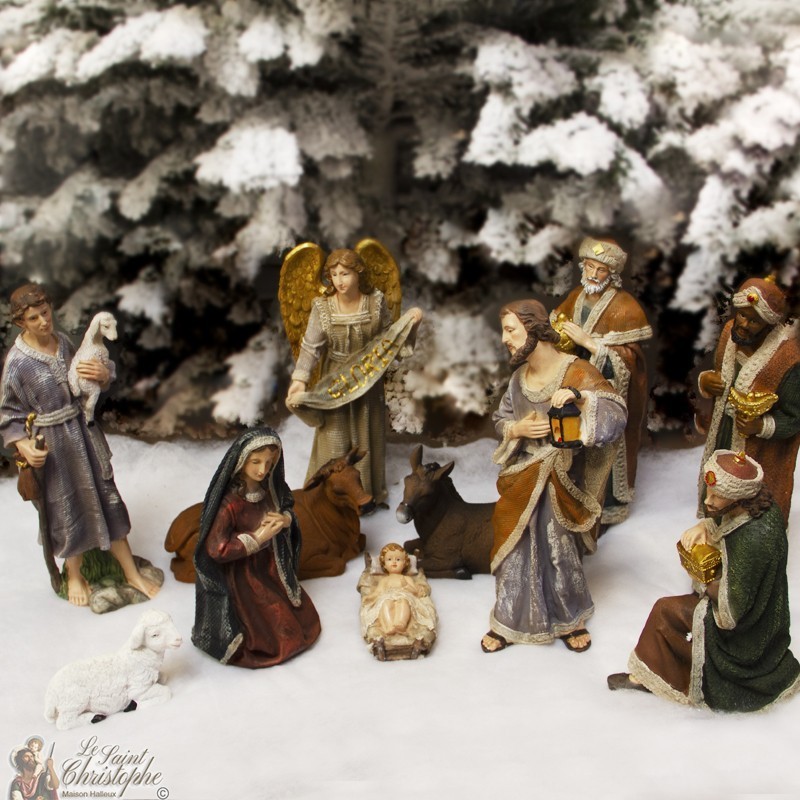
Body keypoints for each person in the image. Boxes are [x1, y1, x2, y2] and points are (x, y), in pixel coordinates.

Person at [481, 299, 627, 654]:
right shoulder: (518, 379)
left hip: (562, 477)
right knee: (513, 546)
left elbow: (615, 412)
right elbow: (501, 419)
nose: (505, 339)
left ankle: (569, 617)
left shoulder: (575, 370)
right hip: (522, 476)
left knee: (559, 547)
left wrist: (581, 398)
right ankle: (510, 618)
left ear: (534, 329)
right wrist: (516, 429)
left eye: (511, 330)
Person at [0, 284, 159, 606]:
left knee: (108, 496)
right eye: (33, 318)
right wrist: (23, 444)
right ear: (20, 323)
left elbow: (89, 376)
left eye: (45, 313)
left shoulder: (65, 343)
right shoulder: (17, 362)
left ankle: (130, 571)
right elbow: (8, 412)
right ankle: (74, 574)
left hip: (84, 433)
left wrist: (103, 374)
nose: (43, 321)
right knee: (65, 507)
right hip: (54, 447)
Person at [608, 450, 800, 712]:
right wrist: (706, 527)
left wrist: (703, 577)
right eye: (709, 493)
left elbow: (732, 612)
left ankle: (649, 677)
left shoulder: (752, 539)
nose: (709, 501)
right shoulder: (758, 511)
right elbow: (729, 530)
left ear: (739, 497)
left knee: (665, 611)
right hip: (764, 618)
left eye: (716, 497)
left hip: (748, 635)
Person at [286, 248, 422, 505]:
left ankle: (366, 494)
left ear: (358, 274)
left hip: (367, 380)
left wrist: (411, 326)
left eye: (345, 273)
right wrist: (299, 379)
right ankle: (329, 497)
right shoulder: (322, 307)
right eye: (334, 274)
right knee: (333, 436)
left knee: (365, 436)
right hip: (335, 382)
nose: (339, 280)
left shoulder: (375, 303)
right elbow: (311, 347)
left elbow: (389, 341)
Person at [193, 427, 321, 668]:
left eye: (268, 463)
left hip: (270, 567)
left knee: (296, 617)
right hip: (244, 577)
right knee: (273, 625)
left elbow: (285, 508)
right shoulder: (229, 504)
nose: (262, 469)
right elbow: (217, 549)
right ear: (241, 461)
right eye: (256, 462)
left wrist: (285, 520)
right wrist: (258, 537)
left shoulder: (269, 490)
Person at [551, 236, 651, 525]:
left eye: (601, 270)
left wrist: (591, 344)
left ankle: (606, 507)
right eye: (590, 267)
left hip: (604, 389)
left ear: (612, 273)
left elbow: (632, 361)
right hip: (574, 383)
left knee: (604, 443)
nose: (593, 275)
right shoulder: (576, 296)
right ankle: (574, 497)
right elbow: (557, 326)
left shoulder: (625, 306)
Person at [697, 276, 800, 521]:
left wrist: (760, 426)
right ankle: (714, 514)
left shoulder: (787, 359)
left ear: (769, 324)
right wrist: (706, 381)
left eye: (754, 321)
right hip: (723, 430)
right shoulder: (729, 334)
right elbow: (719, 373)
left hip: (757, 448)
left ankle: (743, 528)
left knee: (747, 503)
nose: (743, 324)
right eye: (742, 315)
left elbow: (794, 418)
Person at [360, 543, 437, 637]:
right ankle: (389, 626)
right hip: (387, 596)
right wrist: (369, 597)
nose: (394, 562)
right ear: (384, 564)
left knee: (404, 602)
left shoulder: (406, 578)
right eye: (389, 559)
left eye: (398, 559)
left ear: (404, 563)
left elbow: (415, 591)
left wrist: (406, 586)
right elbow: (378, 592)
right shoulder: (384, 580)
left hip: (404, 595)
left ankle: (401, 624)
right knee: (386, 603)